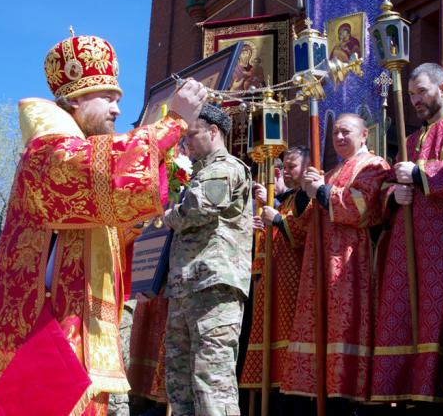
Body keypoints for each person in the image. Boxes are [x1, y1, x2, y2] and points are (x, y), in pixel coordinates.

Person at [0, 33, 207, 416]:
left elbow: (105, 225)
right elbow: (101, 169)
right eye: (109, 97)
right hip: (40, 336)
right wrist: (172, 123)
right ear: (75, 99)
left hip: (72, 330)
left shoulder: (75, 150)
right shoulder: (48, 151)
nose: (117, 110)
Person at [371, 63, 443, 407]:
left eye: (421, 91)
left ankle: (440, 396)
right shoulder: (408, 139)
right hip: (405, 247)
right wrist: (394, 195)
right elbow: (388, 182)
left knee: (436, 315)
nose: (416, 100)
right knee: (402, 315)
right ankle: (404, 391)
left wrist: (420, 173)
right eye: (411, 95)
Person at [281, 114, 391, 406]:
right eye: (335, 134)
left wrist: (321, 191)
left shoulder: (374, 165)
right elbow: (305, 224)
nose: (340, 138)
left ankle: (347, 397)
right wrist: (307, 193)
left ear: (365, 134)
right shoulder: (328, 173)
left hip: (351, 264)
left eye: (346, 132)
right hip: (318, 267)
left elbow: (363, 208)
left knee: (345, 328)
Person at [162, 104, 253, 416]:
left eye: (191, 135)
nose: (185, 144)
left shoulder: (226, 167)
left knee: (212, 380)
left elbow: (197, 208)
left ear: (214, 132)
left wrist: (166, 215)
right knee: (180, 381)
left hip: (214, 288)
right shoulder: (201, 174)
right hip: (187, 287)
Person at [240, 147, 311, 399]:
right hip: (275, 280)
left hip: (295, 284)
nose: (287, 172)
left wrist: (278, 219)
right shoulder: (289, 200)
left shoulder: (304, 197)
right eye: (285, 168)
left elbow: (305, 232)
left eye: (292, 167)